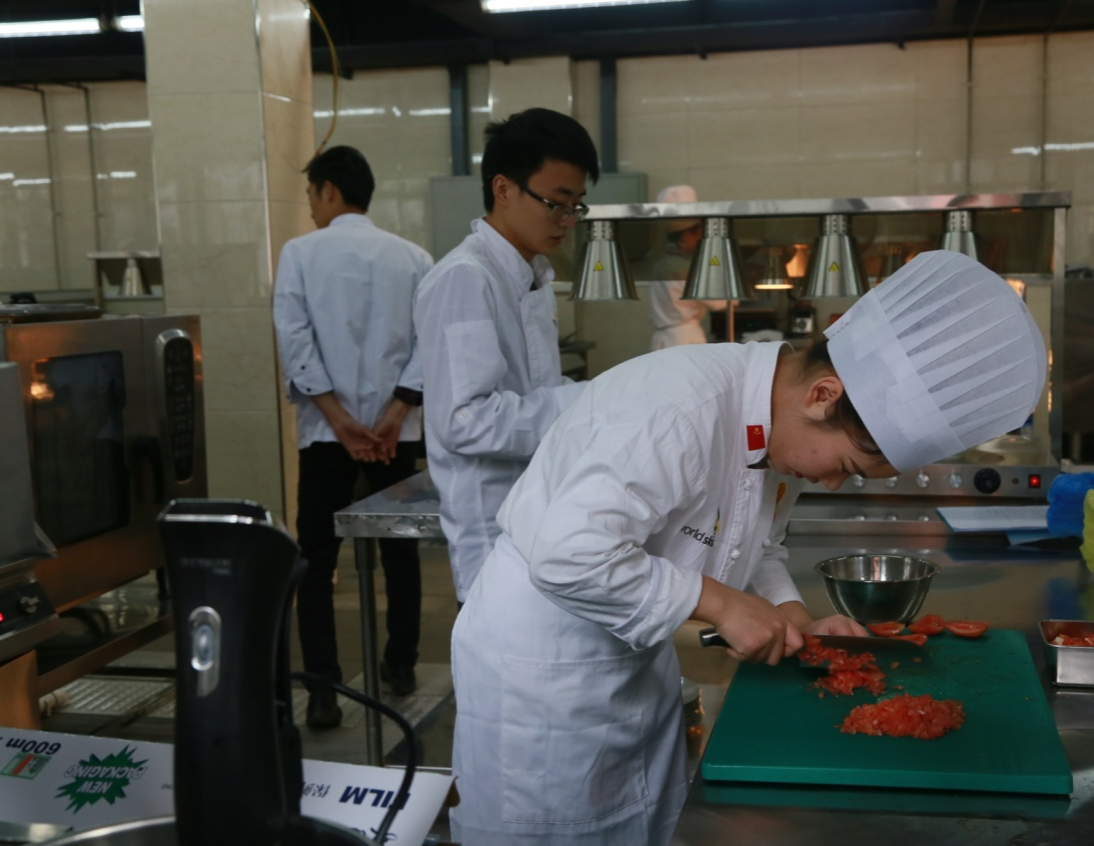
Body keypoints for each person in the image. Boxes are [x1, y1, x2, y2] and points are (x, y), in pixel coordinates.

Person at [449, 250, 1048, 844]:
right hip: (542, 671)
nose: (833, 483)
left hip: (633, 663)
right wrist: (723, 604)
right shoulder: (678, 407)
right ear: (823, 394)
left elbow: (757, 542)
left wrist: (794, 618)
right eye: (846, 466)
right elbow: (569, 555)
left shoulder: (776, 420)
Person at [273, 145, 434, 728]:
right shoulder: (414, 258)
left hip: (326, 434)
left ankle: (323, 690)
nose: (311, 207)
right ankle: (401, 665)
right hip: (396, 432)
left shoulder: (300, 253)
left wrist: (338, 418)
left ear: (330, 191)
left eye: (311, 195)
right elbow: (430, 341)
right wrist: (395, 412)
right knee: (401, 552)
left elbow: (294, 338)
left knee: (316, 558)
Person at [414, 108, 596, 604]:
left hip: (536, 516)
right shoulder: (465, 278)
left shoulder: (530, 275)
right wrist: (586, 403)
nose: (567, 221)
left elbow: (535, 391)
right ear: (503, 188)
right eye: (556, 203)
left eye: (576, 207)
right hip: (492, 532)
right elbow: (466, 420)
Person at [636, 184, 727, 349]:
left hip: (662, 339)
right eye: (698, 233)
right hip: (685, 339)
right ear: (686, 236)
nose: (700, 238)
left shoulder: (662, 262)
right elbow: (721, 302)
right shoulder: (686, 268)